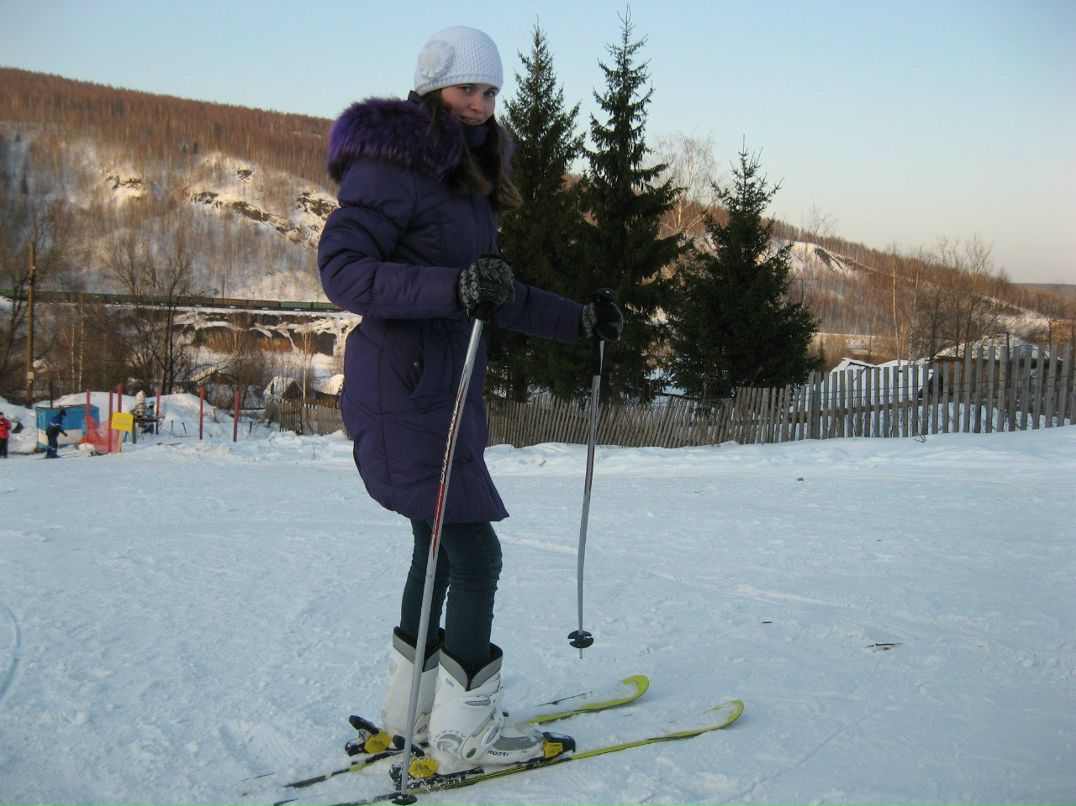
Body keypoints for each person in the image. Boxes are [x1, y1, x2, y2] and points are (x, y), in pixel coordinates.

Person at [318, 25, 623, 777]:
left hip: (437, 388)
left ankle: (414, 714)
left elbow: (493, 294)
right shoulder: (393, 170)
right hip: (404, 388)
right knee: (474, 551)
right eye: (466, 90)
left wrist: (579, 319)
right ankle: (464, 733)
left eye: (490, 92)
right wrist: (449, 288)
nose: (481, 105)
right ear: (431, 92)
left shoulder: (463, 184)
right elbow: (344, 270)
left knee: (438, 545)